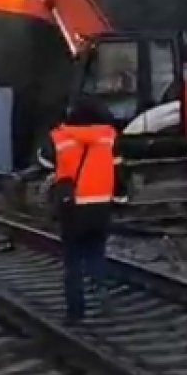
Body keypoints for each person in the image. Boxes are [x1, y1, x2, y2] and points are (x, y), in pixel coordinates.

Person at [45, 100, 123, 324]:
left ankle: (75, 313)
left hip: (73, 208)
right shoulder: (109, 137)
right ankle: (101, 293)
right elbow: (118, 169)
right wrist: (120, 196)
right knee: (96, 253)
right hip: (100, 207)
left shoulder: (59, 137)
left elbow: (44, 160)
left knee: (72, 262)